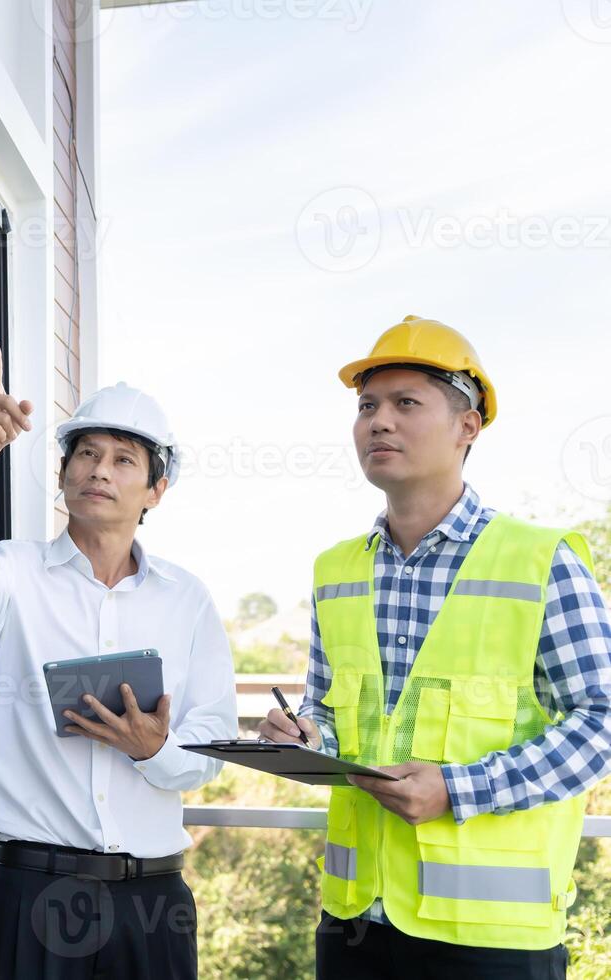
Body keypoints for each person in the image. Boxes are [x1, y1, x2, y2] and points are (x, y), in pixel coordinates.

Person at [260, 315, 611, 979]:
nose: (378, 421)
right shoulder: (336, 571)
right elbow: (334, 718)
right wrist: (303, 735)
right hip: (355, 926)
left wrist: (460, 789)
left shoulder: (543, 561)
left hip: (495, 943)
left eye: (405, 403)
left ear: (468, 426)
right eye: (367, 406)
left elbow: (602, 722)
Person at [0, 343, 237, 980]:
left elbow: (212, 745)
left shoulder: (187, 601)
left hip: (153, 904)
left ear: (156, 489)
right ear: (64, 472)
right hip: (32, 896)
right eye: (87, 455)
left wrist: (154, 749)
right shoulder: (13, 573)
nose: (100, 470)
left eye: (125, 460)